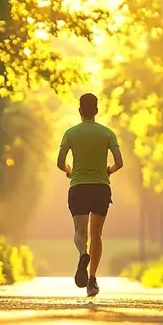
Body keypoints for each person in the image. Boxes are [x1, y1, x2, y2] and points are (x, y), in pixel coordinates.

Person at [56, 93, 123, 297]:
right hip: (101, 187)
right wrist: (107, 171)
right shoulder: (107, 133)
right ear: (96, 110)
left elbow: (60, 162)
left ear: (80, 111)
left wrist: (70, 171)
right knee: (96, 234)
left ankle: (83, 254)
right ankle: (92, 280)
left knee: (80, 233)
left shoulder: (70, 133)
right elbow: (119, 162)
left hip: (79, 186)